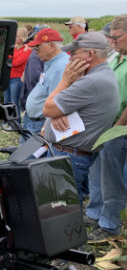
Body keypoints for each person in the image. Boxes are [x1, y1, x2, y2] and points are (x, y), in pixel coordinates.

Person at [42, 32, 119, 208]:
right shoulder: (101, 76)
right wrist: (58, 112)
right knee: (64, 205)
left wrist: (65, 81)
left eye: (74, 54)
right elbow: (58, 108)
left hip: (69, 154)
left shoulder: (91, 82)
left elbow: (48, 108)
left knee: (63, 208)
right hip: (72, 153)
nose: (69, 59)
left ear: (90, 54)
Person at [84, 14, 127, 241]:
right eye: (110, 37)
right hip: (106, 127)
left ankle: (110, 225)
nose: (112, 41)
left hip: (119, 130)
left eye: (117, 37)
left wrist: (115, 129)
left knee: (113, 180)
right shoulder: (117, 58)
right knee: (96, 173)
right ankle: (94, 213)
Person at [24, 29, 69, 137]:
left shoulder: (60, 67)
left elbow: (56, 101)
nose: (35, 51)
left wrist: (45, 128)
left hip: (40, 124)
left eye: (37, 47)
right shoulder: (52, 62)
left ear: (52, 46)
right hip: (34, 121)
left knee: (30, 154)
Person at [4, 27, 32, 122]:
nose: (15, 38)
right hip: (8, 77)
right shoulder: (13, 48)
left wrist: (10, 59)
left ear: (23, 37)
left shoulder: (27, 50)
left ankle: (16, 122)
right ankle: (7, 120)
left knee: (14, 102)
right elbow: (6, 60)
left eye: (17, 36)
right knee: (6, 100)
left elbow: (15, 63)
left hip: (17, 79)